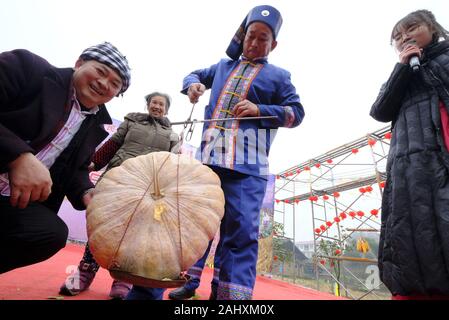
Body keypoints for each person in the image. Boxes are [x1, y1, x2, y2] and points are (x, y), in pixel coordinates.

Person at [168, 5, 304, 300]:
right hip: (209, 161)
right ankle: (188, 281)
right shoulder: (221, 67)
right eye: (251, 36)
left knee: (240, 231)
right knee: (198, 223)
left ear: (274, 45)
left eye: (263, 39)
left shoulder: (280, 77)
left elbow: (296, 113)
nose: (255, 43)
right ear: (242, 38)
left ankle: (231, 295)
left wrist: (260, 110)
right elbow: (193, 74)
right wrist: (192, 85)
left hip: (249, 167)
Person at [0, 42, 131, 275]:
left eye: (114, 84)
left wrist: (86, 192)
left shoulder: (95, 124)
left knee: (49, 233)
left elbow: (75, 169)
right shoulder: (28, 68)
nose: (104, 84)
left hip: (11, 199)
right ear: (79, 63)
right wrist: (18, 156)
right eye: (101, 71)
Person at [59, 92, 180, 299]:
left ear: (166, 109)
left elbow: (171, 166)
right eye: (154, 102)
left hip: (146, 188)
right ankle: (84, 273)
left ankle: (123, 280)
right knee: (102, 228)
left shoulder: (172, 135)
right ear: (148, 105)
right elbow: (113, 145)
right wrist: (93, 164)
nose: (157, 106)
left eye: (161, 104)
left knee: (134, 235)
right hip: (117, 179)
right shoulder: (131, 122)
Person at [370, 9, 449, 299]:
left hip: (442, 159)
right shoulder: (400, 74)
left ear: (433, 28)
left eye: (411, 29)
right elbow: (379, 110)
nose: (404, 38)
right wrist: (402, 69)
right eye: (397, 37)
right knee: (411, 238)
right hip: (408, 169)